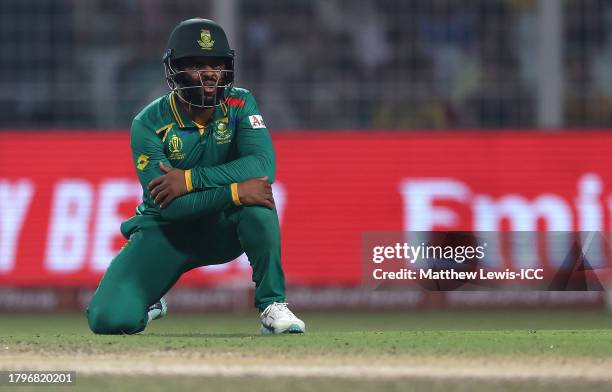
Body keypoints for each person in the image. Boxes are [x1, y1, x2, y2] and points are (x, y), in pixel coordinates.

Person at [86, 18, 305, 335]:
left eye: (216, 64)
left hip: (221, 229)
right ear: (175, 70)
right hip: (166, 232)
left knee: (258, 202)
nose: (209, 74)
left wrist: (189, 180)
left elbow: (262, 168)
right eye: (197, 65)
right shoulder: (148, 123)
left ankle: (273, 305)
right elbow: (171, 207)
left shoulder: (240, 103)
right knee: (108, 320)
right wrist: (234, 190)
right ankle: (152, 301)